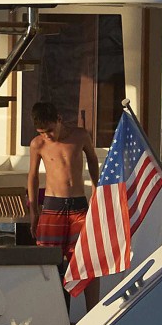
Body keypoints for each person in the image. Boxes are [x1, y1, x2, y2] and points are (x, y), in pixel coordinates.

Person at [26, 100, 102, 307]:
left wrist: (97, 188)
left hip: (78, 205)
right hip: (52, 207)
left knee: (87, 258)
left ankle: (92, 314)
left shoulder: (80, 136)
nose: (47, 135)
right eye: (42, 132)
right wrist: (34, 210)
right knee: (49, 262)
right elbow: (32, 177)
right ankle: (53, 315)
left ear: (59, 120)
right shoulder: (38, 144)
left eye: (49, 130)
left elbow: (93, 160)